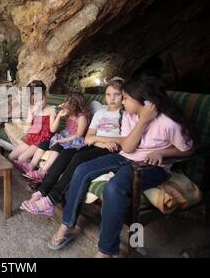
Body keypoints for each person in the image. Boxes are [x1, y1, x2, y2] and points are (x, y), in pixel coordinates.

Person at [48, 75, 194, 257]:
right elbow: (127, 146)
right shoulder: (129, 116)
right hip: (125, 156)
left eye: (126, 98)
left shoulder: (169, 124)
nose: (123, 102)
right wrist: (142, 120)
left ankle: (106, 251)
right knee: (82, 169)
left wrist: (163, 152)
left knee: (114, 187)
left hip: (150, 166)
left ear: (146, 102)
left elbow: (187, 150)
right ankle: (66, 225)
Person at [20, 77, 125, 216]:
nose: (112, 98)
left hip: (109, 150)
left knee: (78, 157)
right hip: (96, 144)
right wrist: (99, 140)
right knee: (67, 152)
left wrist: (98, 141)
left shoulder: (126, 114)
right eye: (108, 94)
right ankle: (42, 191)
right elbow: (88, 137)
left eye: (117, 94)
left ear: (124, 95)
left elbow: (126, 140)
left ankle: (50, 200)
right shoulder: (100, 113)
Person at [22, 92, 90, 182]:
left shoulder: (81, 117)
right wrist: (60, 115)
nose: (65, 104)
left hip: (74, 140)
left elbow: (79, 134)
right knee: (44, 143)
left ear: (75, 104)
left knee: (58, 145)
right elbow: (65, 129)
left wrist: (62, 140)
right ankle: (31, 165)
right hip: (64, 136)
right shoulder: (70, 115)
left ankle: (42, 172)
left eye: (68, 103)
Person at [8, 80, 55, 164]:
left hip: (42, 140)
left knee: (21, 158)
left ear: (45, 95)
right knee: (10, 157)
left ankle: (28, 171)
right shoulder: (32, 108)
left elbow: (52, 129)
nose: (39, 103)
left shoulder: (51, 109)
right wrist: (32, 115)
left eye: (41, 99)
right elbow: (27, 130)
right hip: (32, 137)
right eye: (35, 101)